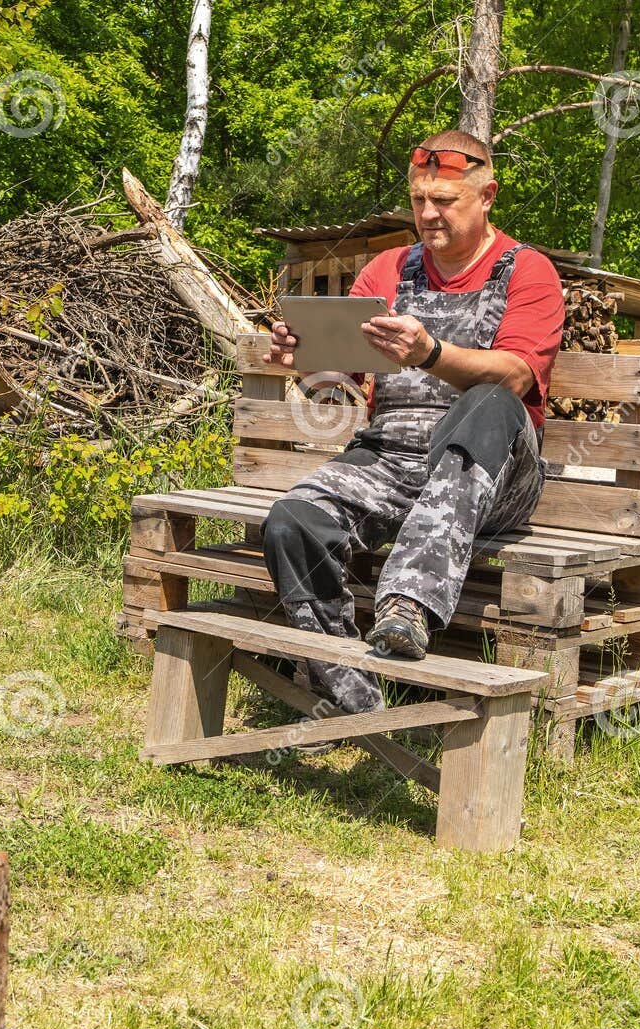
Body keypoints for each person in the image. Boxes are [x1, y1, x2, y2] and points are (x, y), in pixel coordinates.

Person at [261, 129, 565, 716]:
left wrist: (430, 352)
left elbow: (515, 377)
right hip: (393, 459)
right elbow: (341, 380)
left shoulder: (528, 272)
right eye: (419, 199)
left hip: (497, 472)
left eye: (445, 201)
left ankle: (407, 608)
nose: (427, 213)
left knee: (487, 402)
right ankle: (352, 691)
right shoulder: (387, 271)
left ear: (487, 196)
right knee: (293, 519)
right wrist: (305, 360)